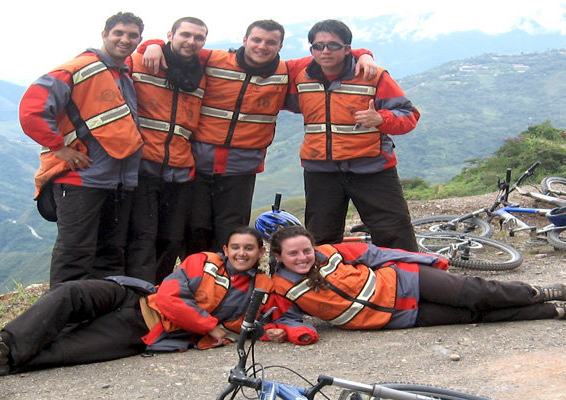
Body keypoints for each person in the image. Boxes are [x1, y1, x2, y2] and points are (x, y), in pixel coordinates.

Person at [0, 227, 316, 381]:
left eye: (250, 248)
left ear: (262, 251)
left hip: (142, 331)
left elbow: (293, 319)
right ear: (225, 248)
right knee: (68, 294)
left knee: (57, 353)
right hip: (131, 297)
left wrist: (293, 333)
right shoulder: (200, 262)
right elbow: (171, 297)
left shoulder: (266, 288)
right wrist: (209, 326)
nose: (242, 253)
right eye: (236, 247)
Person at [138, 20, 379, 254]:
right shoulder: (215, 60)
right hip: (200, 162)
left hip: (241, 168)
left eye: (270, 42)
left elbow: (331, 51)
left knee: (232, 231)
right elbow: (181, 48)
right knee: (195, 228)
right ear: (244, 40)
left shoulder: (287, 70)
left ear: (280, 47)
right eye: (256, 40)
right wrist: (152, 44)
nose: (262, 46)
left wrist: (363, 53)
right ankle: (199, 283)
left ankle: (230, 285)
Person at [263, 225, 566, 336]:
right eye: (293, 255)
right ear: (279, 257)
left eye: (305, 250)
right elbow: (289, 319)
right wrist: (294, 333)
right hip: (392, 318)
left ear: (312, 245)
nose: (303, 258)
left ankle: (537, 292)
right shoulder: (283, 286)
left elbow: (381, 255)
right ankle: (557, 310)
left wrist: (429, 260)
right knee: (473, 316)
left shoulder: (333, 251)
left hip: (405, 280)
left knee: (476, 292)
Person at [20, 12, 146, 287]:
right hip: (80, 179)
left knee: (109, 255)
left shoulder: (123, 74)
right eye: (119, 33)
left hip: (116, 181)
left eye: (132, 35)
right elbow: (32, 111)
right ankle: (61, 319)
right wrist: (60, 148)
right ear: (104, 35)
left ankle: (98, 317)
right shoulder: (78, 68)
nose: (125, 40)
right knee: (75, 254)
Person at [284, 19, 419, 252]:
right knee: (321, 237)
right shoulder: (300, 74)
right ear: (311, 50)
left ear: (347, 49)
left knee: (393, 232)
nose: (325, 51)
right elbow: (264, 65)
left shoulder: (372, 75)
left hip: (372, 169)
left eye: (334, 46)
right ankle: (326, 284)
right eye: (319, 46)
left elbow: (409, 116)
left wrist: (381, 119)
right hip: (320, 171)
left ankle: (406, 282)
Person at [124, 17, 208, 283]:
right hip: (142, 166)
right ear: (170, 35)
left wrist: (155, 44)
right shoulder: (139, 62)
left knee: (171, 239)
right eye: (185, 35)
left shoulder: (203, 71)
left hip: (180, 170)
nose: (191, 42)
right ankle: (135, 300)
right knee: (142, 237)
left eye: (198, 38)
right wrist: (151, 45)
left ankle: (157, 295)